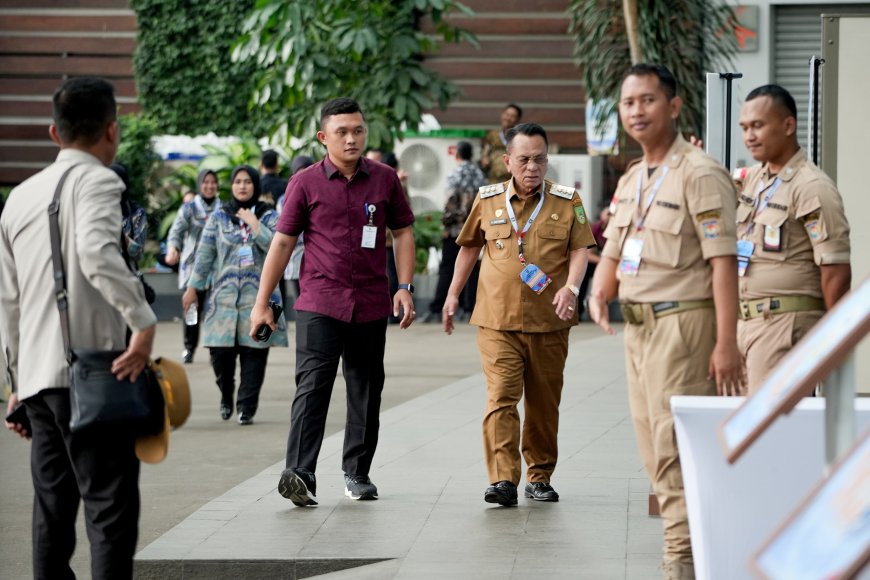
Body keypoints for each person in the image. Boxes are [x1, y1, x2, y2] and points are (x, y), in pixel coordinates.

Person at [587, 63, 744, 579]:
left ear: (673, 107)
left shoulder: (699, 172)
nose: (637, 111)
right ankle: (691, 551)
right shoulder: (635, 176)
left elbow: (725, 262)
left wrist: (727, 342)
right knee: (653, 446)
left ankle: (680, 564)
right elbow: (614, 245)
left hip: (683, 325)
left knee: (673, 446)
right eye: (629, 102)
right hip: (639, 328)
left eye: (648, 100)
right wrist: (599, 285)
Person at [0, 76, 157, 580]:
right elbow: (95, 253)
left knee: (52, 513)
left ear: (54, 132)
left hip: (39, 382)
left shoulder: (19, 197)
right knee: (109, 514)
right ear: (112, 130)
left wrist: (14, 384)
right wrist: (143, 320)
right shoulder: (100, 181)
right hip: (96, 374)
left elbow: (8, 300)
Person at [250, 97, 416, 505]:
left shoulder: (385, 179)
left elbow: (404, 232)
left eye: (358, 130)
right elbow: (283, 242)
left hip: (371, 301)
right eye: (341, 132)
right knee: (312, 386)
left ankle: (357, 473)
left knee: (365, 387)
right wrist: (262, 301)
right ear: (324, 137)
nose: (351, 138)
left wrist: (405, 287)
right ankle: (301, 473)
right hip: (319, 300)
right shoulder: (304, 182)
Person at [443, 122, 595, 506]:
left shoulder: (567, 200)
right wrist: (451, 295)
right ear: (508, 161)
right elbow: (468, 248)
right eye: (524, 159)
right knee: (502, 396)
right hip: (496, 319)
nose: (532, 167)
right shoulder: (487, 199)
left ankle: (539, 476)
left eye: (540, 159)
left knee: (544, 404)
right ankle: (502, 480)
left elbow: (580, 249)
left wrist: (572, 288)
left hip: (549, 321)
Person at [735, 84, 851, 393]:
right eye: (745, 127)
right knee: (741, 430)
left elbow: (836, 271)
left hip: (785, 324)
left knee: (768, 430)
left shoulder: (812, 187)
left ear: (788, 125)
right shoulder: (756, 179)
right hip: (747, 322)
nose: (749, 136)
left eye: (758, 126)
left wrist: (833, 341)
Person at [183, 165, 287, 425]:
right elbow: (205, 255)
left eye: (247, 182)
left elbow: (280, 247)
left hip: (260, 302)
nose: (242, 186)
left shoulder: (269, 216)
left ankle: (246, 407)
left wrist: (256, 226)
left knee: (255, 356)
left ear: (256, 185)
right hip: (223, 303)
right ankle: (226, 395)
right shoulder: (218, 217)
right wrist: (193, 288)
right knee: (220, 357)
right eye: (238, 182)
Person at [426, 140, 487, 323]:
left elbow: (450, 202)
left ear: (457, 155)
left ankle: (437, 308)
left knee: (447, 268)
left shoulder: (455, 174)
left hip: (455, 230)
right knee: (473, 268)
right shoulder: (480, 175)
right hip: (476, 229)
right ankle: (469, 309)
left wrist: (445, 225)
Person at [166, 169, 222, 363]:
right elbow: (176, 231)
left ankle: (217, 347)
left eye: (213, 182)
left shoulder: (223, 208)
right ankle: (189, 348)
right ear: (200, 185)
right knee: (192, 310)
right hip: (192, 269)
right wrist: (173, 248)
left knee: (217, 308)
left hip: (216, 269)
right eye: (206, 182)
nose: (209, 186)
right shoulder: (189, 208)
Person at [277, 155, 314, 312]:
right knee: (301, 303)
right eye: (300, 171)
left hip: (315, 260)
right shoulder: (284, 199)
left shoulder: (322, 194)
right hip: (294, 259)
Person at [577, 206, 610, 320]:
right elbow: (588, 255)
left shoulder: (617, 229)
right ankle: (579, 309)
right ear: (601, 215)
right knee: (583, 270)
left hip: (612, 264)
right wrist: (605, 261)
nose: (610, 216)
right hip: (599, 262)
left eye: (612, 214)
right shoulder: (594, 229)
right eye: (608, 214)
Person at [480, 103, 522, 184]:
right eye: (507, 114)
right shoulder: (492, 135)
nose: (508, 118)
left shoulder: (520, 138)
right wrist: (484, 158)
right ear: (502, 114)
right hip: (494, 182)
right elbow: (485, 151)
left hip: (512, 182)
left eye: (512, 116)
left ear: (518, 119)